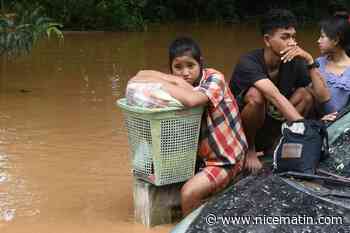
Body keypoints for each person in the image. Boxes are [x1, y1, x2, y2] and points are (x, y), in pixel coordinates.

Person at [129, 37, 248, 215]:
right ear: (171, 68)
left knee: (188, 193)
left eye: (190, 66)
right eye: (178, 67)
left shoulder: (215, 79)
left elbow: (192, 99)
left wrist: (161, 83)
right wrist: (170, 80)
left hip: (226, 160)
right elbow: (138, 76)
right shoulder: (176, 84)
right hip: (199, 158)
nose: (185, 73)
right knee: (153, 178)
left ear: (201, 63)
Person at [229, 9, 331, 174]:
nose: (292, 43)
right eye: (285, 37)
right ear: (267, 40)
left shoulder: (294, 61)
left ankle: (278, 145)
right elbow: (274, 96)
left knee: (306, 95)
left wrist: (310, 61)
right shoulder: (248, 63)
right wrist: (307, 130)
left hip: (273, 127)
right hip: (244, 131)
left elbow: (324, 97)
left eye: (293, 37)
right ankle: (249, 150)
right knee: (256, 96)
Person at [316, 15, 350, 115]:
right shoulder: (318, 62)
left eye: (322, 37)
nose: (318, 41)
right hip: (317, 121)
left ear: (335, 40)